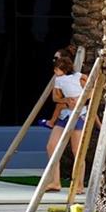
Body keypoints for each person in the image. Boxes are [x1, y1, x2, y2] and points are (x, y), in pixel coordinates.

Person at [43, 49, 87, 191]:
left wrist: (81, 100)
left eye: (57, 68)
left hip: (78, 114)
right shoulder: (58, 80)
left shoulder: (79, 76)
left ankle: (79, 185)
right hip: (65, 114)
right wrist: (66, 99)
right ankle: (55, 182)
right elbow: (55, 98)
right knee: (51, 146)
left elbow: (92, 89)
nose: (55, 70)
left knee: (77, 150)